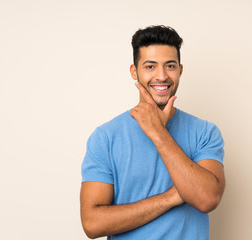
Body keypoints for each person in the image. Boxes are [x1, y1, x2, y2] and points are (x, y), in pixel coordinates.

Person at [80, 25, 225, 240]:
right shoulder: (106, 137)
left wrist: (158, 132)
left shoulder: (204, 132)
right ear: (134, 71)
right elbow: (92, 224)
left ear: (180, 70)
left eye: (170, 66)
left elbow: (206, 199)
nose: (162, 76)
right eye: (150, 66)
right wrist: (173, 196)